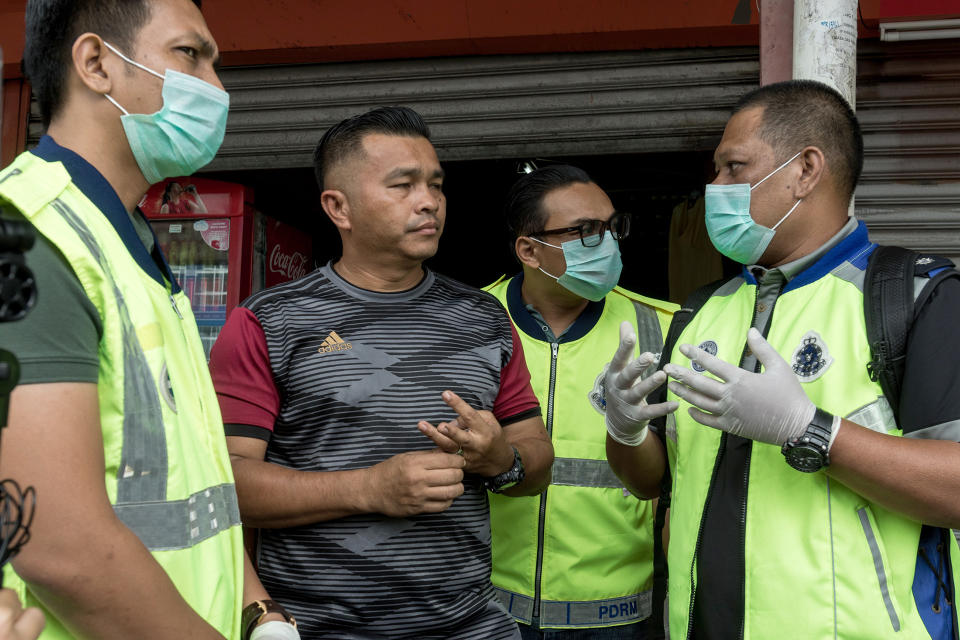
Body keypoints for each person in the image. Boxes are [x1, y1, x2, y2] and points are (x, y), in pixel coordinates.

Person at [603, 79, 960, 639]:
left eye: (732, 167)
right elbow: (656, 483)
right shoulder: (703, 311)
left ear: (805, 170)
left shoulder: (913, 297)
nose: (713, 186)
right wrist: (624, 432)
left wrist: (810, 430)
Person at [0, 1, 299, 638]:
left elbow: (201, 493)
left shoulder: (132, 246)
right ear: (96, 64)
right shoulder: (28, 239)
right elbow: (59, 547)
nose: (216, 90)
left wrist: (259, 610)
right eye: (191, 56)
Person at [207, 105, 555, 640]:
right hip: (318, 629)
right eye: (403, 185)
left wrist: (500, 460)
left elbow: (536, 461)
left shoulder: (486, 319)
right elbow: (224, 487)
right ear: (338, 207)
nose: (429, 201)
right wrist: (368, 488)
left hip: (470, 626)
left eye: (436, 185)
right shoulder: (266, 323)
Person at [484, 165, 676, 639]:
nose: (608, 243)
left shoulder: (662, 327)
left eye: (613, 227)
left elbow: (677, 482)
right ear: (529, 250)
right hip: (487, 604)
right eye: (587, 231)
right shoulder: (471, 322)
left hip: (615, 611)